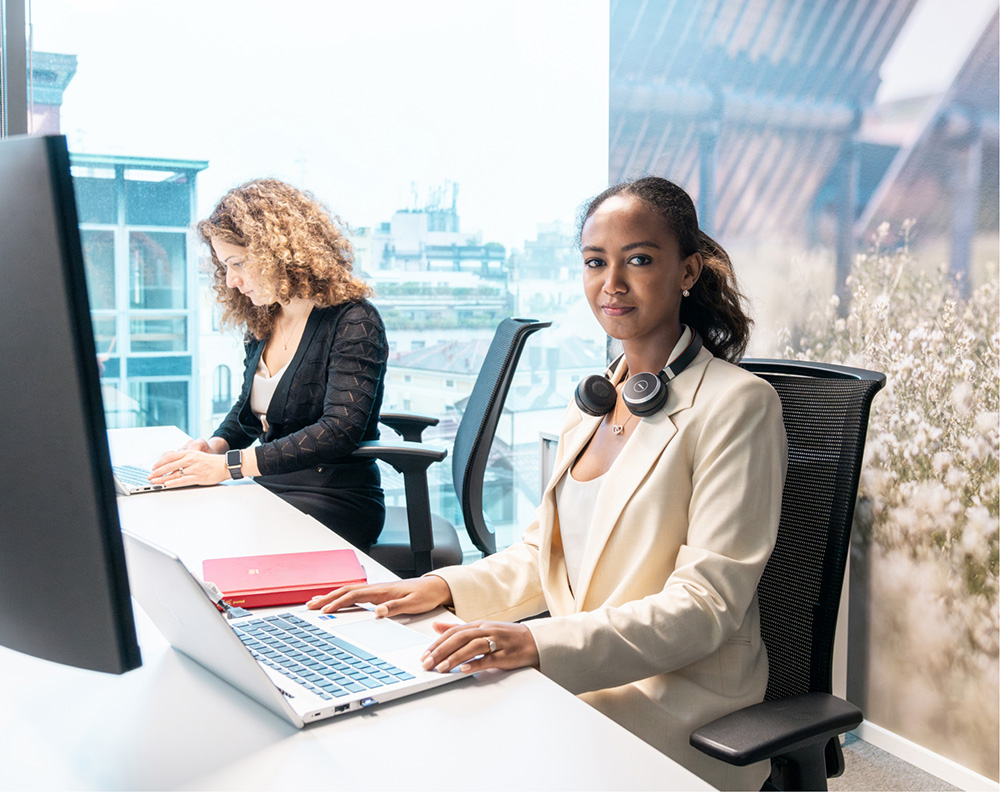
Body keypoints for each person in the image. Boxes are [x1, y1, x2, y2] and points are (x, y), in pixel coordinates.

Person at [308, 176, 787, 789]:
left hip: (677, 703)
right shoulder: (591, 400)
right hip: (581, 671)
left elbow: (705, 607)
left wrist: (536, 645)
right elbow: (543, 556)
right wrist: (437, 587)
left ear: (688, 269)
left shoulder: (738, 405)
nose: (611, 283)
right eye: (595, 262)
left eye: (638, 259)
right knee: (408, 722)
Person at [149, 178, 388, 551]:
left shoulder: (354, 320)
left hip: (335, 497)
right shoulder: (264, 320)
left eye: (239, 262)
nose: (231, 280)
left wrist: (230, 466)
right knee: (178, 520)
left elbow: (340, 429)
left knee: (215, 542)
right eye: (225, 266)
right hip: (273, 484)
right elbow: (249, 414)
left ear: (280, 251)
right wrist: (214, 447)